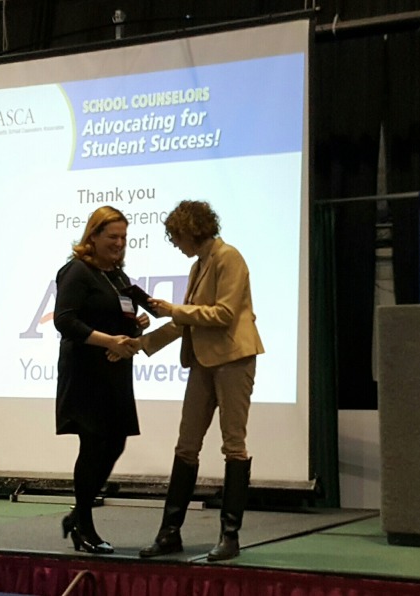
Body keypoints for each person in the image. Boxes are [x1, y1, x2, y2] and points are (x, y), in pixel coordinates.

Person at [136, 199, 264, 561]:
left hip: (233, 359)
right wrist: (143, 344)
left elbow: (223, 314)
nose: (175, 243)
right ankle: (169, 533)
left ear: (191, 231)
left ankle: (230, 537)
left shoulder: (229, 257)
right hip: (203, 362)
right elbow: (184, 322)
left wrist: (173, 308)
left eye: (176, 236)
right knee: (186, 445)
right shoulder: (199, 265)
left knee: (233, 445)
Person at [54, 205, 147, 554]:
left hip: (115, 372)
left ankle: (77, 516)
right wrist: (109, 340)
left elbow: (120, 314)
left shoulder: (118, 277)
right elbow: (65, 321)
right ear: (93, 236)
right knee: (93, 446)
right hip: (86, 373)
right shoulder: (77, 271)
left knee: (116, 442)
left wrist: (135, 325)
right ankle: (86, 527)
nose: (120, 243)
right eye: (113, 237)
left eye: (124, 237)